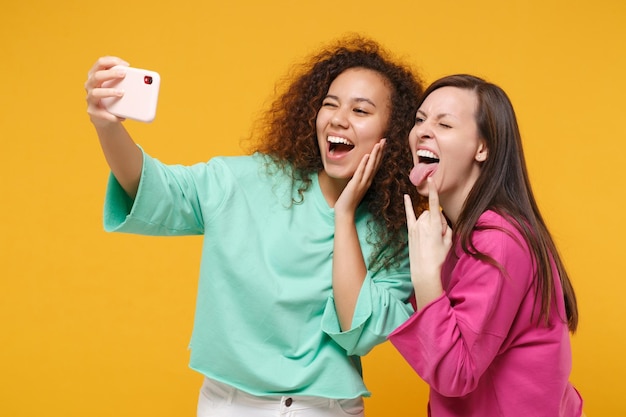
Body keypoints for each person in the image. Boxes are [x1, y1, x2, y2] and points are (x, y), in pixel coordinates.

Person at [84, 35, 424, 416]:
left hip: (326, 409)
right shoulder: (248, 181)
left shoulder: (395, 234)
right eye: (330, 104)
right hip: (229, 405)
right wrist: (107, 127)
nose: (339, 118)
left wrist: (344, 216)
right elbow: (156, 189)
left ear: (391, 135)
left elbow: (360, 331)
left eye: (360, 111)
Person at [389, 74, 584, 416]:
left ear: (482, 148)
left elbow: (455, 374)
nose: (423, 130)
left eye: (444, 124)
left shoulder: (498, 238)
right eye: (420, 120)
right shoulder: (454, 236)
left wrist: (425, 277)